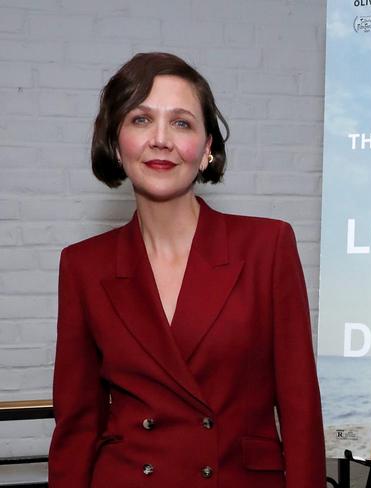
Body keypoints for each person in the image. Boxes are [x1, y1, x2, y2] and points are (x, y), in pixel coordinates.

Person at [47, 52, 326, 488]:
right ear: (117, 144)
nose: (161, 139)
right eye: (140, 120)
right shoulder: (84, 265)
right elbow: (76, 425)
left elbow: (300, 408)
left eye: (181, 122)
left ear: (207, 148)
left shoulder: (267, 246)